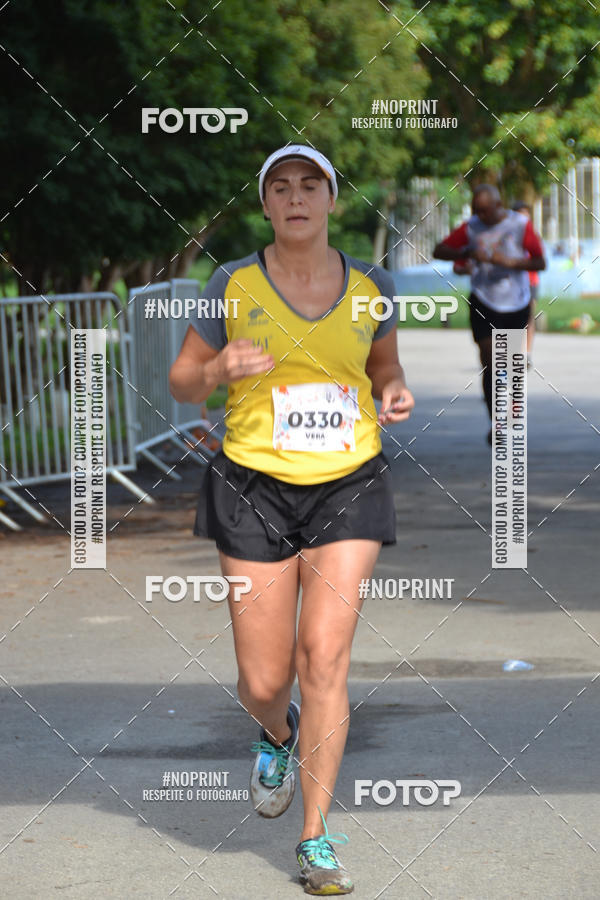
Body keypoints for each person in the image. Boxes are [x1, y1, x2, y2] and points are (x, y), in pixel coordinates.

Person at [169, 144, 414, 895]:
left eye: (312, 185)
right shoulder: (232, 283)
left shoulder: (372, 285)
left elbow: (383, 366)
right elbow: (182, 383)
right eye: (282, 187)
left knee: (325, 657)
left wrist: (394, 390)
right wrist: (215, 372)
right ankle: (279, 733)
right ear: (266, 203)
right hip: (252, 485)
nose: (297, 197)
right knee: (264, 677)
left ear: (333, 199)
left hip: (347, 482)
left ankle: (315, 840)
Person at [433, 184, 545, 443]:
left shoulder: (519, 225)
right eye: (476, 210)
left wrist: (511, 262)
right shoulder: (471, 227)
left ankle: (513, 414)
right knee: (490, 360)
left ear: (498, 205)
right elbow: (439, 250)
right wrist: (466, 252)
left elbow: (540, 262)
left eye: (485, 210)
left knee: (511, 363)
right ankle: (496, 421)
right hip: (483, 299)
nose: (480, 216)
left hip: (515, 302)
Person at [512, 202, 541, 368]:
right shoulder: (507, 236)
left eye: (526, 215)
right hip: (513, 283)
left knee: (529, 316)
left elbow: (540, 260)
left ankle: (527, 353)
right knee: (513, 318)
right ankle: (514, 352)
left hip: (530, 281)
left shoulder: (533, 236)